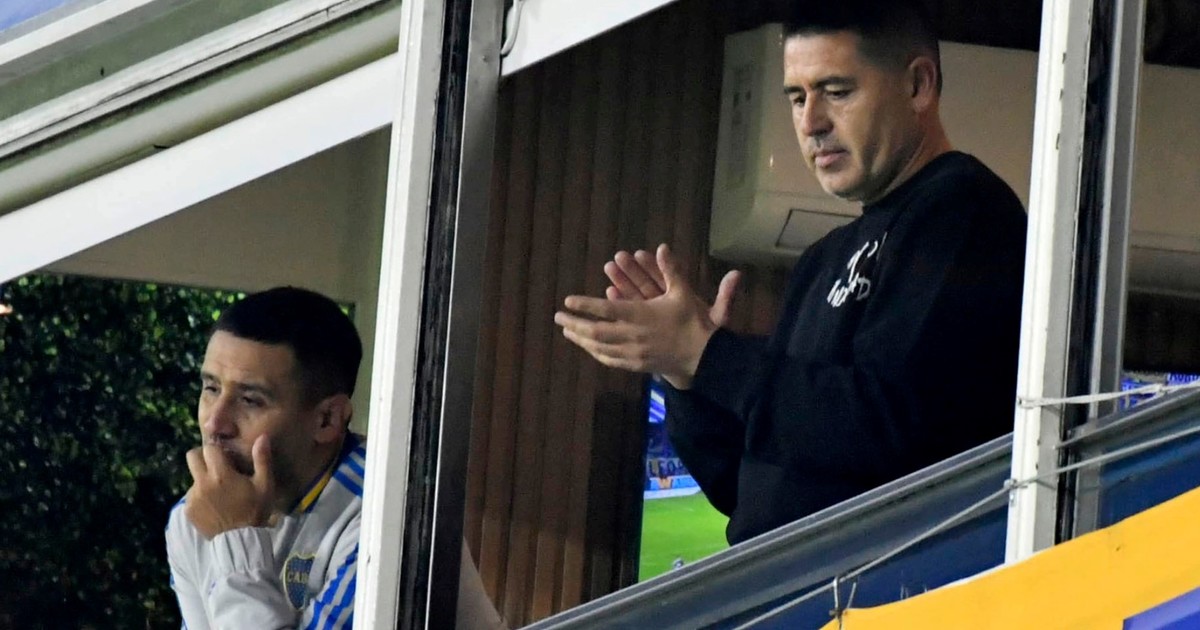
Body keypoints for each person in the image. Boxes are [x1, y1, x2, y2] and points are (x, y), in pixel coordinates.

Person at [554, 1, 1027, 545]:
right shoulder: (822, 259)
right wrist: (687, 376)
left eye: (836, 92)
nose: (811, 123)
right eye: (798, 98)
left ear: (918, 85)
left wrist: (710, 355)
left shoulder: (963, 210)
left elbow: (896, 429)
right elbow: (749, 487)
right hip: (781, 582)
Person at [166, 286, 505, 629]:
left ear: (327, 420)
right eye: (211, 388)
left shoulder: (388, 518)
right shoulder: (195, 517)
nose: (214, 423)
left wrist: (234, 539)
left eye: (250, 400)